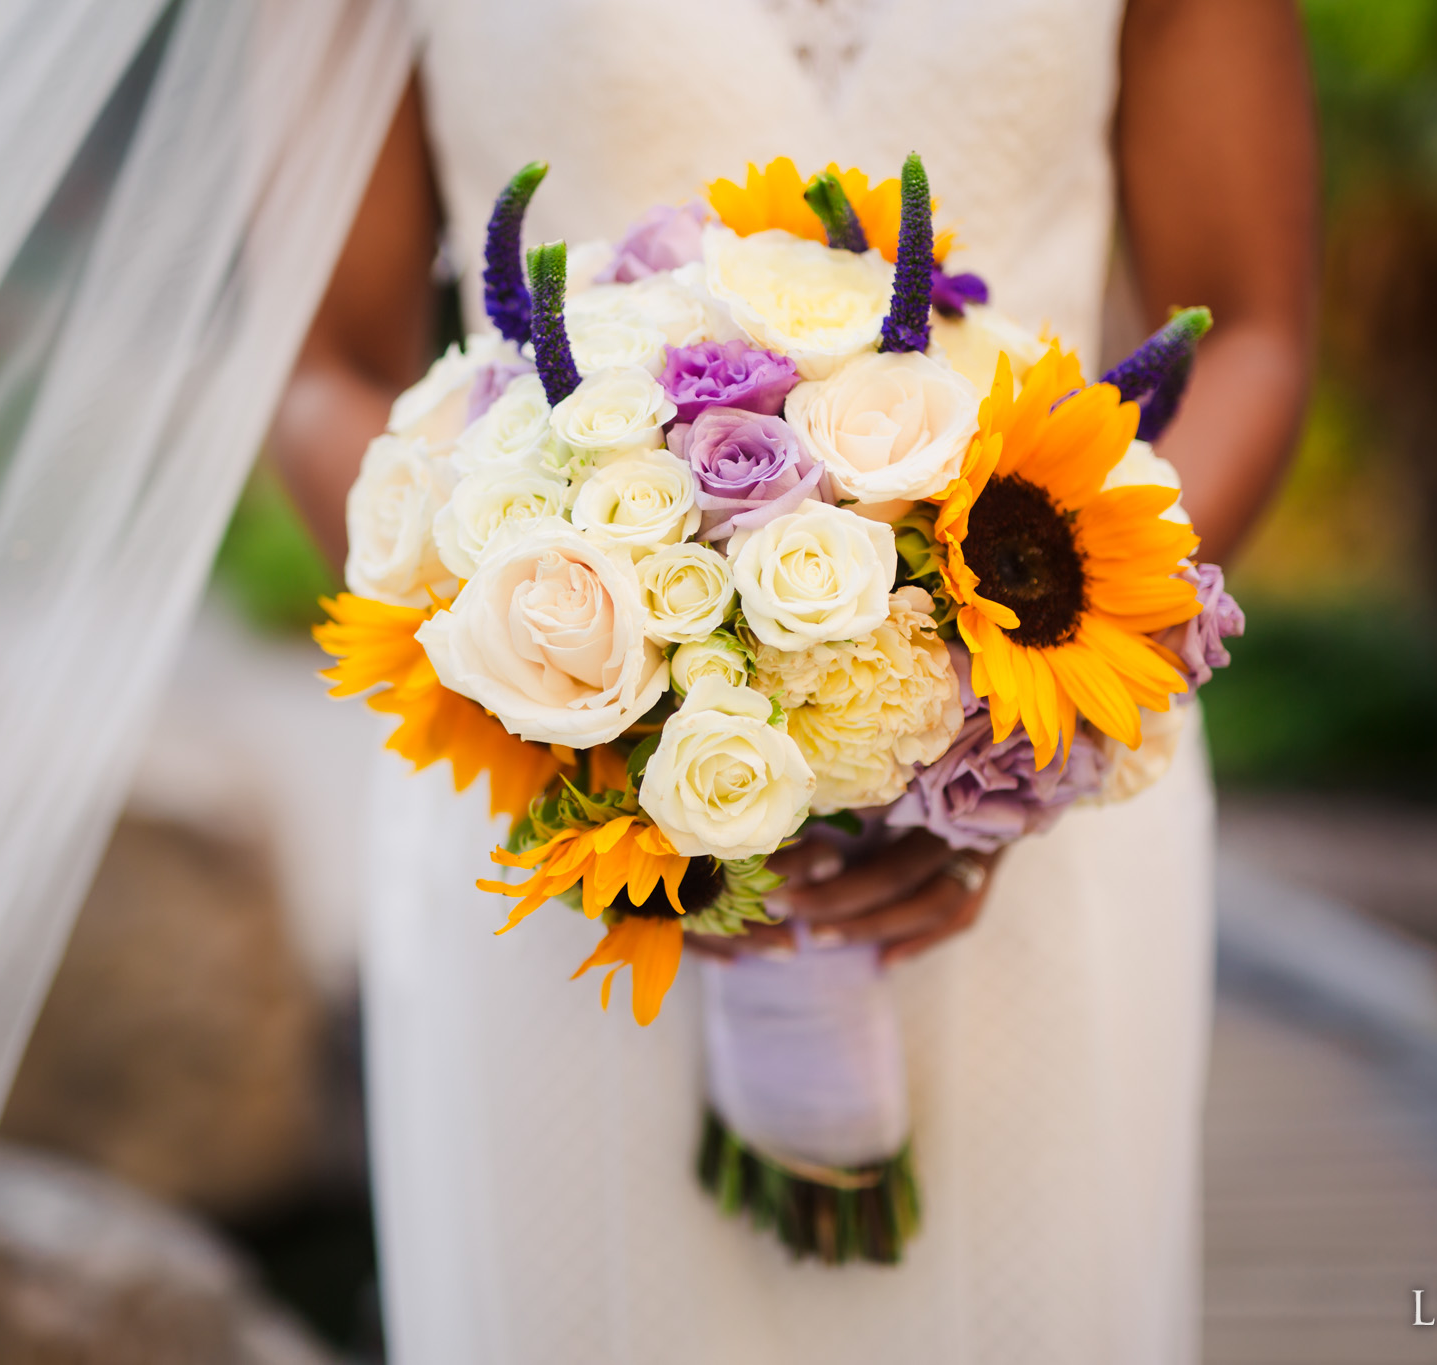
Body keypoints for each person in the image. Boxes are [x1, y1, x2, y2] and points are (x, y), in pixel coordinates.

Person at [273, 2, 1315, 1360]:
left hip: (1046, 814)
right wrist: (607, 721)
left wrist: (1009, 733)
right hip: (561, 838)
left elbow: (1252, 332)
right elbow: (323, 372)